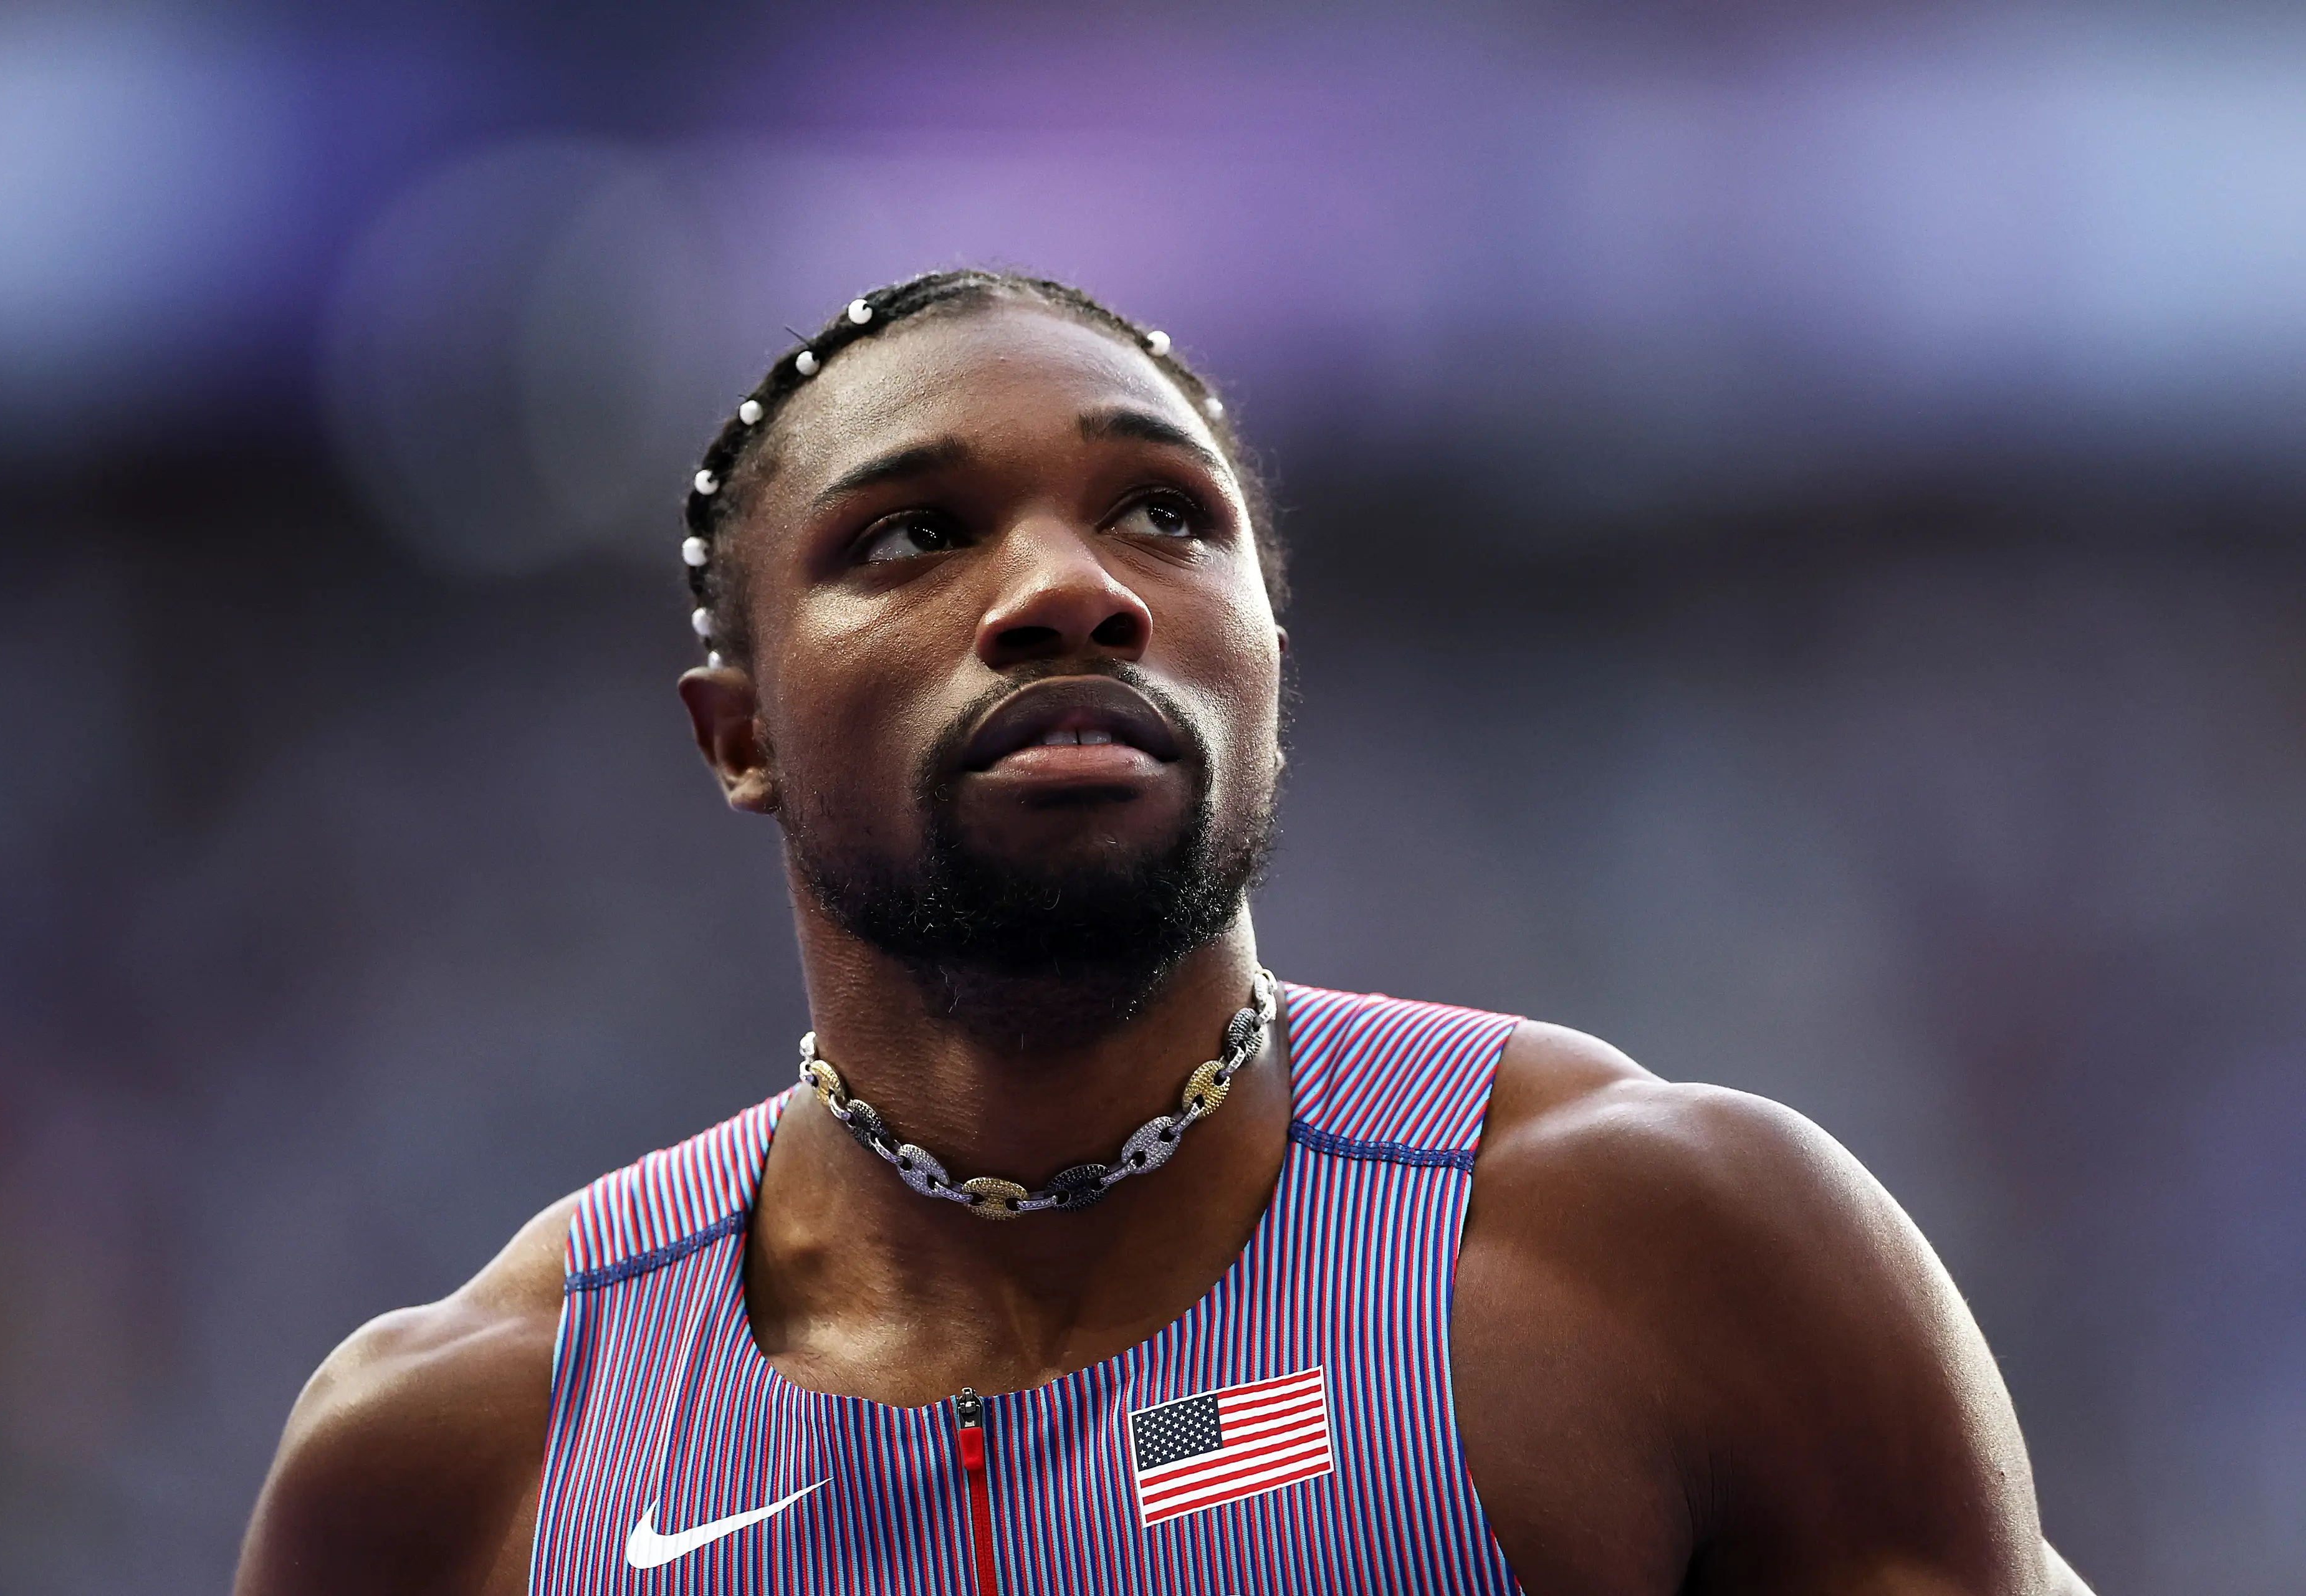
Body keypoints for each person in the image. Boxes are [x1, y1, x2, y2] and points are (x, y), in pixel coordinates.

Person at [236, 269, 2095, 1595]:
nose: (1071, 588)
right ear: (741, 739)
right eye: (911, 537)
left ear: (1269, 658)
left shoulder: (1670, 1259)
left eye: (1162, 515)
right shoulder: (464, 1456)